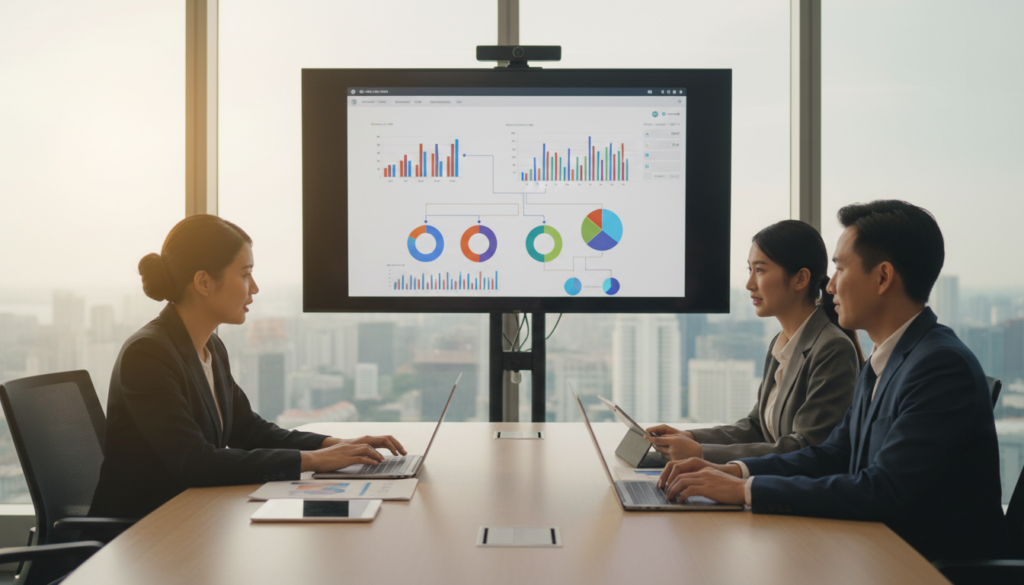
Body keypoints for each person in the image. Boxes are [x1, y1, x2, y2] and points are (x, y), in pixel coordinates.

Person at [658, 200, 1007, 561]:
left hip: (928, 568)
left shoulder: (939, 366)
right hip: (875, 552)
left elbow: (883, 490)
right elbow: (832, 454)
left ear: (883, 277)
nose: (831, 286)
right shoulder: (884, 359)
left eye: (840, 268)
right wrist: (728, 471)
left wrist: (746, 489)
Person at [91, 215, 406, 519]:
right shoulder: (147, 354)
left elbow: (249, 430)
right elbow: (194, 461)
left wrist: (335, 445)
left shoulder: (210, 346)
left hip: (195, 517)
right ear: (203, 282)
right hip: (144, 534)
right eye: (245, 274)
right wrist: (312, 461)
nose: (254, 287)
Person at [645, 220, 862, 463]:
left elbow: (805, 447)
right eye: (750, 270)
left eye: (760, 270)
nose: (749, 284)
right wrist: (690, 436)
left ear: (800, 279)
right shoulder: (780, 343)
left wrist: (701, 453)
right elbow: (757, 426)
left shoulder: (832, 348)